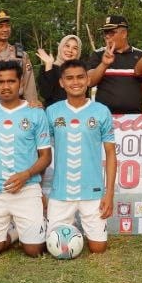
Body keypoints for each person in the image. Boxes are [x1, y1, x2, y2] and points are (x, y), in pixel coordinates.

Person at [0, 61, 52, 256]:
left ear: (20, 82)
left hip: (27, 189)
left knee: (34, 251)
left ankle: (29, 230)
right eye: (0, 82)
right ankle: (14, 234)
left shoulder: (36, 113)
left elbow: (46, 157)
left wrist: (26, 175)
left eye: (11, 81)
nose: (6, 86)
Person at [46, 59, 116, 253]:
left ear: (88, 80)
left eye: (80, 77)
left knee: (98, 248)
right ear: (61, 82)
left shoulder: (101, 111)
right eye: (69, 78)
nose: (75, 82)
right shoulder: (51, 112)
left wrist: (108, 194)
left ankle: (79, 232)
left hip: (91, 191)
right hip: (61, 192)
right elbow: (42, 154)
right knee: (53, 246)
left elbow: (110, 153)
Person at [86, 14, 142, 115]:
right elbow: (89, 82)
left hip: (133, 117)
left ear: (124, 33)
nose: (107, 36)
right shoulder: (98, 54)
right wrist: (104, 64)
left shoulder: (140, 54)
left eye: (111, 32)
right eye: (105, 33)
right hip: (104, 116)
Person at [37, 34, 83, 107]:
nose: (70, 50)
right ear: (60, 47)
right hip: (53, 114)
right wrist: (49, 66)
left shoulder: (81, 71)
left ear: (78, 52)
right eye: (67, 46)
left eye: (75, 48)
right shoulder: (47, 67)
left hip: (76, 113)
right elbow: (45, 94)